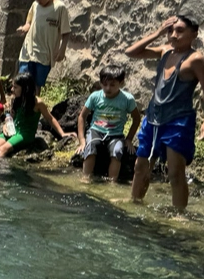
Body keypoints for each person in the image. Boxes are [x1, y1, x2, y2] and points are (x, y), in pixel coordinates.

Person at [127, 15, 204, 211]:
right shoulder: (164, 51)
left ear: (193, 34)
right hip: (153, 118)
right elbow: (131, 52)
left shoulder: (196, 59)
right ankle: (134, 202)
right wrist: (158, 33)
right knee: (141, 166)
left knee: (175, 172)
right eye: (171, 31)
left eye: (179, 31)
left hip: (178, 121)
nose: (173, 35)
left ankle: (179, 213)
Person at [0, 72, 71, 159]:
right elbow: (10, 117)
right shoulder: (15, 99)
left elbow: (50, 118)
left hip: (25, 134)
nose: (12, 89)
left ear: (25, 88)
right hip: (12, 131)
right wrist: (6, 125)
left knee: (2, 149)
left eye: (15, 87)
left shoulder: (37, 102)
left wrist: (62, 134)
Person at [76, 65, 141, 183]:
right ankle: (85, 178)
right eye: (104, 84)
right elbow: (82, 116)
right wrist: (81, 140)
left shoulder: (127, 99)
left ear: (121, 83)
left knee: (116, 152)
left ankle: (112, 182)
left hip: (116, 134)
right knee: (90, 147)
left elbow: (136, 119)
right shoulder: (95, 96)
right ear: (100, 83)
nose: (107, 88)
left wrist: (129, 139)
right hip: (96, 130)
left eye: (112, 85)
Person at [16, 0, 71, 88]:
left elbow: (66, 32)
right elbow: (29, 22)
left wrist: (62, 50)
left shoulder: (59, 8)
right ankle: (21, 104)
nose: (38, 1)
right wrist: (24, 28)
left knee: (37, 85)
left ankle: (35, 104)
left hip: (45, 55)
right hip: (28, 51)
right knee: (22, 82)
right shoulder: (35, 5)